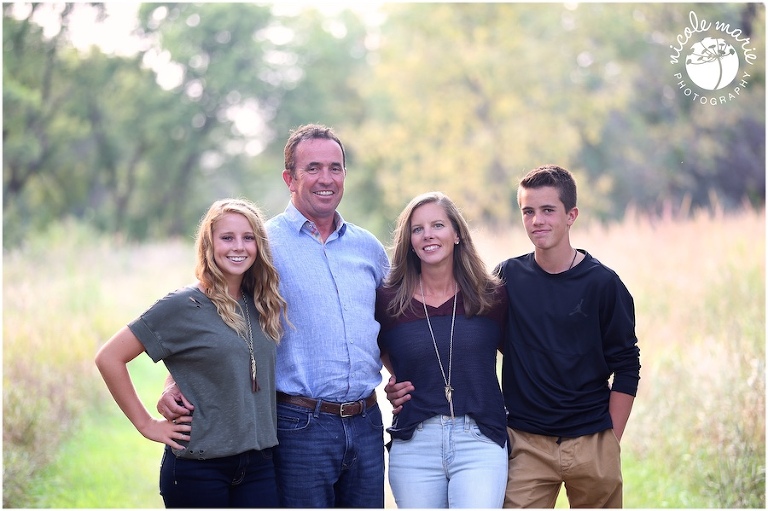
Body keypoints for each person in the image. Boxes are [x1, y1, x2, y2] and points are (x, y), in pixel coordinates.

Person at [157, 124, 390, 508]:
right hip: (300, 426)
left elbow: (388, 324)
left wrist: (401, 377)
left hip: (366, 421)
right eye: (313, 168)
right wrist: (174, 383)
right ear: (289, 179)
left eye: (335, 168)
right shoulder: (260, 245)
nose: (326, 178)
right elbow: (212, 315)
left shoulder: (368, 248)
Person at [387, 165, 641, 508]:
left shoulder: (603, 284)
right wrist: (403, 379)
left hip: (592, 436)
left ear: (571, 216)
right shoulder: (507, 279)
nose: (537, 220)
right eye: (528, 211)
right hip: (526, 441)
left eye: (548, 210)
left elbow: (627, 364)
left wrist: (611, 438)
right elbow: (466, 344)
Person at [95, 198, 288, 508]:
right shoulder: (183, 305)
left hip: (259, 466)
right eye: (227, 237)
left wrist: (171, 383)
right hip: (199, 469)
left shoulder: (261, 302)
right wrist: (147, 425)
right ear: (209, 244)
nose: (239, 247)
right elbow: (109, 357)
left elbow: (205, 363)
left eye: (248, 237)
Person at [375, 191, 509, 508]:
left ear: (457, 233)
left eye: (438, 225)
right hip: (415, 443)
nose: (428, 235)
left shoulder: (491, 295)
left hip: (479, 439)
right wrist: (399, 381)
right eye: (417, 229)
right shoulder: (388, 300)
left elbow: (520, 357)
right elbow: (379, 350)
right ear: (409, 241)